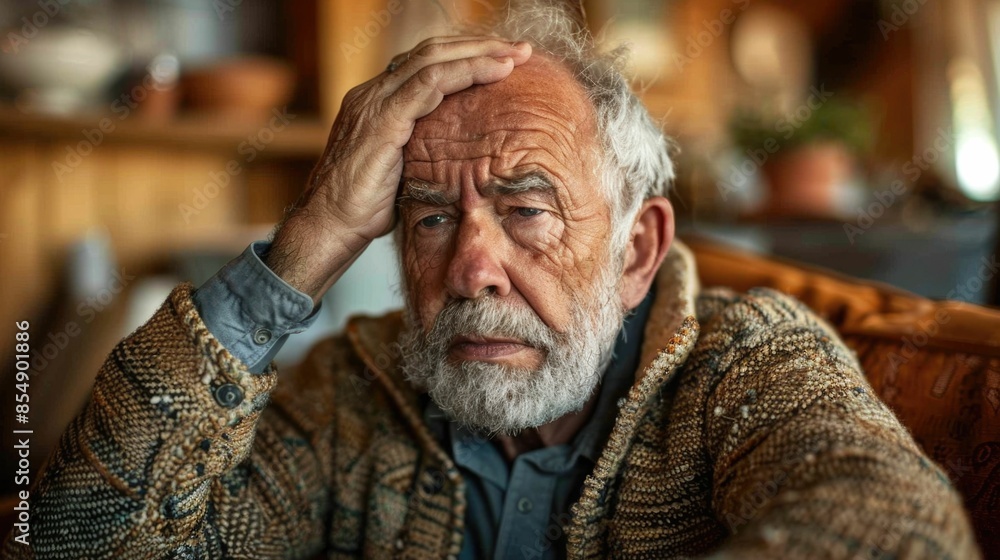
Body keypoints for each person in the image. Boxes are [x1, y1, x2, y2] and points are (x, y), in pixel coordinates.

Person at [2, 2, 980, 559]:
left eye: (526, 210)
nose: (470, 265)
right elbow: (73, 541)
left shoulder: (746, 363)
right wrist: (309, 236)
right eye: (429, 216)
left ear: (636, 249)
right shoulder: (356, 391)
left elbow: (894, 535)